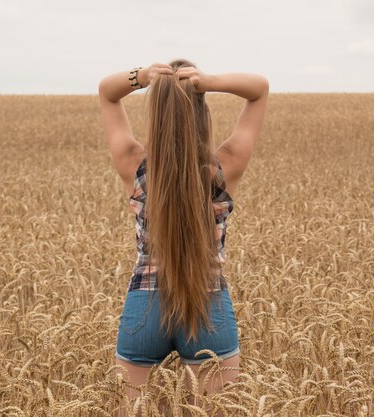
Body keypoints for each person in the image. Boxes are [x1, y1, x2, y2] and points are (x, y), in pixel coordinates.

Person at [98, 58, 269, 416]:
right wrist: (209, 81)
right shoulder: (224, 167)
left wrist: (142, 77)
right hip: (208, 308)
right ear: (201, 110)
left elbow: (106, 93)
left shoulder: (135, 165)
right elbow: (259, 90)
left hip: (144, 309)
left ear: (155, 116)